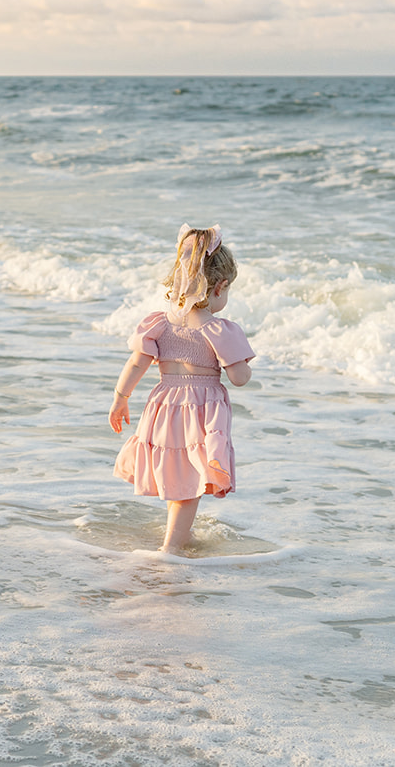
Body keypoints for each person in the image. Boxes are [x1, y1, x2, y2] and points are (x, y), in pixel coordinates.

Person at [109, 225, 255, 553]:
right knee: (190, 482)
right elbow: (239, 377)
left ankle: (178, 538)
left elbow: (136, 364)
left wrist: (121, 398)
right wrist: (240, 359)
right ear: (221, 286)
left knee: (177, 475)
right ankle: (171, 549)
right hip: (200, 411)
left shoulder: (159, 323)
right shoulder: (218, 329)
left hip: (163, 406)